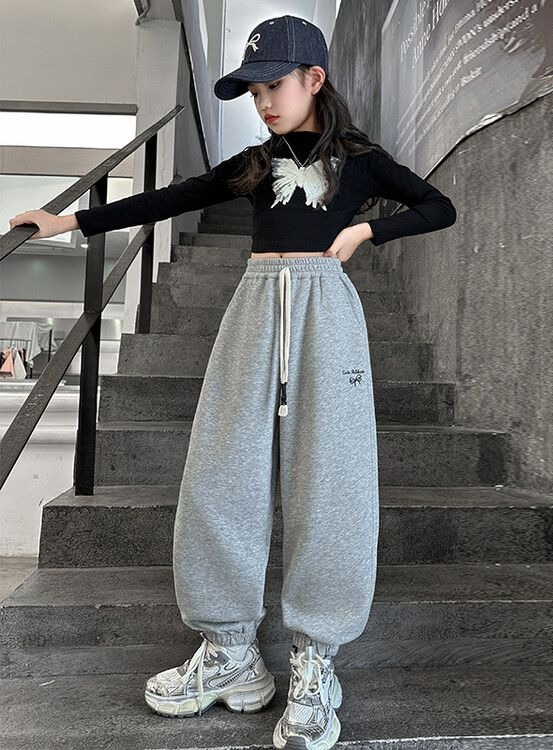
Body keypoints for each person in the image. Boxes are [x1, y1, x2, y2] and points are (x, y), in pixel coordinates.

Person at [9, 14, 457, 750]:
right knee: (221, 471)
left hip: (327, 313)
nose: (263, 101)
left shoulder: (362, 161)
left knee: (332, 480)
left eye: (274, 85)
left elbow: (440, 206)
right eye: (253, 91)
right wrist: (71, 223)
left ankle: (316, 661)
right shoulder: (253, 163)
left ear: (314, 79)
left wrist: (366, 231)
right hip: (253, 308)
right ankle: (230, 653)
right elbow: (169, 198)